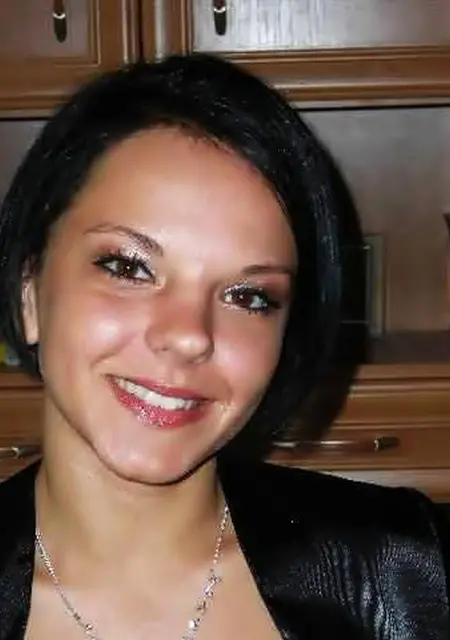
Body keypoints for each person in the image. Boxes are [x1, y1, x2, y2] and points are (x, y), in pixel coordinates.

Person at [0, 53, 447, 640]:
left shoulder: (410, 576)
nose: (189, 334)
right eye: (129, 267)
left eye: (248, 296)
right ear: (29, 291)